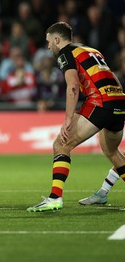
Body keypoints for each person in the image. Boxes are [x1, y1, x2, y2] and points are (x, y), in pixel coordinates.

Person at [27, 22, 125, 212]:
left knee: (61, 145)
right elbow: (111, 75)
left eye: (49, 42)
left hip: (100, 102)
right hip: (119, 100)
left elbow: (72, 86)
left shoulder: (65, 54)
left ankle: (55, 198)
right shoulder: (92, 50)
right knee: (112, 152)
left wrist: (67, 119)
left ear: (57, 40)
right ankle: (102, 194)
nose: (48, 47)